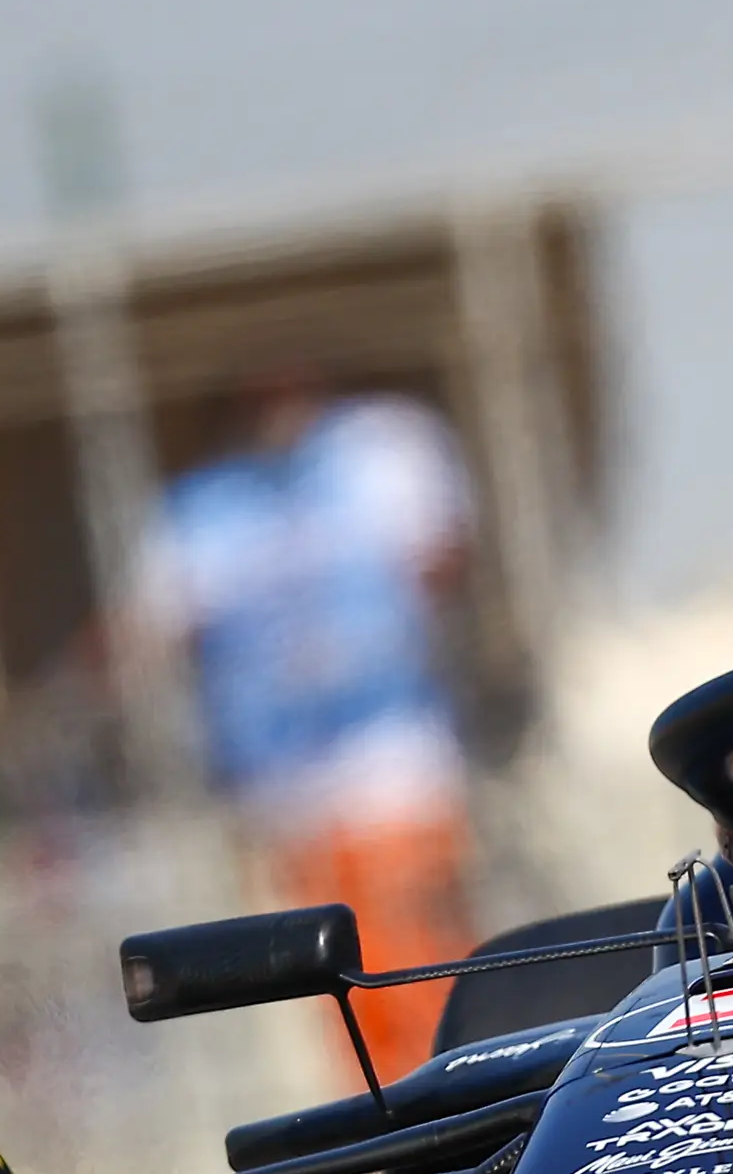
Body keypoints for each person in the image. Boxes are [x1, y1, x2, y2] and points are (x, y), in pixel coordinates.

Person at [133, 370, 482, 1076]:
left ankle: (465, 1089)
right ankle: (399, 1118)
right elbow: (160, 624)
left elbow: (442, 558)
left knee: (424, 964)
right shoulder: (206, 502)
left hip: (391, 764)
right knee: (344, 990)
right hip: (288, 786)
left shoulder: (382, 445)